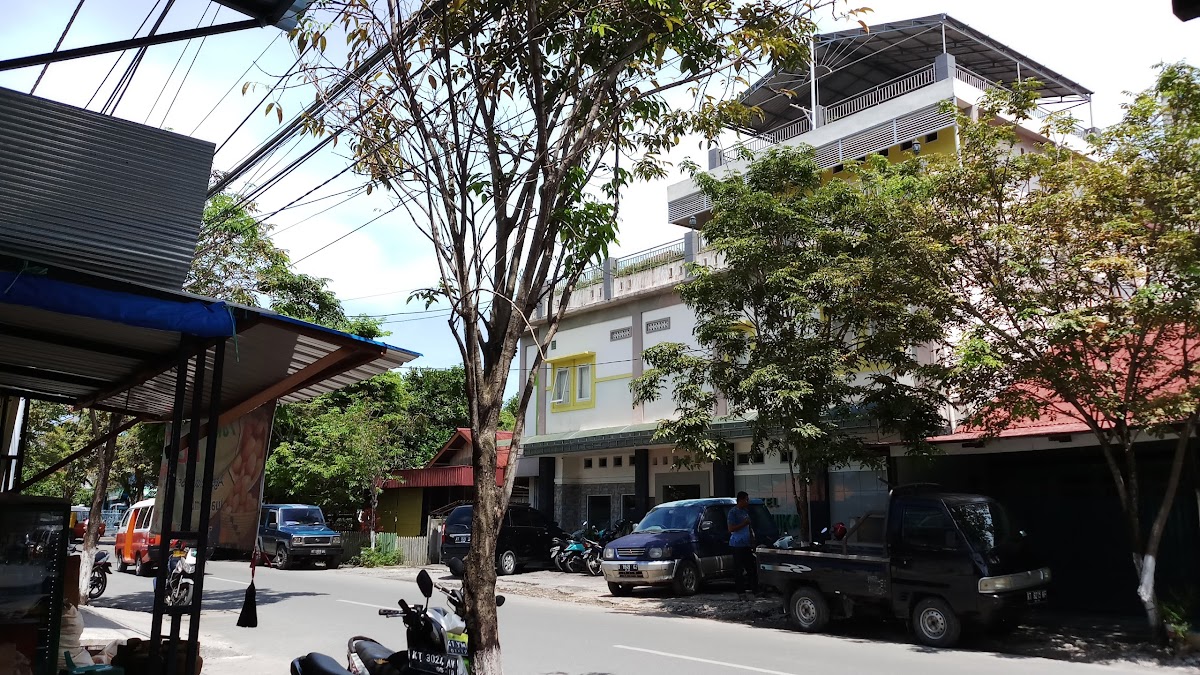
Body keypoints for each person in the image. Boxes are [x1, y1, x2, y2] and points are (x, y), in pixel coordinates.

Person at [727, 491, 759, 600]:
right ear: (741, 500)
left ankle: (755, 590)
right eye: (746, 500)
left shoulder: (745, 512)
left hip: (746, 544)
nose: (747, 502)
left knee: (751, 568)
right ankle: (741, 592)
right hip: (737, 545)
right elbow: (731, 528)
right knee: (738, 570)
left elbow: (749, 527)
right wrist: (743, 524)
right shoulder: (733, 512)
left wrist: (752, 539)